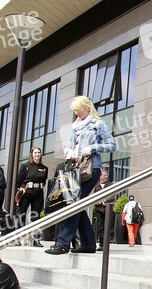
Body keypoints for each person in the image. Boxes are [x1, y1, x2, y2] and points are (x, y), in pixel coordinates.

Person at [46, 96, 116, 255]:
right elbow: (68, 145)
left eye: (78, 109)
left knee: (74, 204)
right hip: (74, 169)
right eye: (74, 110)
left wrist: (92, 148)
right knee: (77, 204)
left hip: (91, 169)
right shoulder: (75, 127)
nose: (76, 112)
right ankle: (89, 243)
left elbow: (111, 145)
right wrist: (68, 152)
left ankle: (62, 243)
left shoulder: (99, 124)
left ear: (87, 107)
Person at [15, 147, 48, 247]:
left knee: (36, 217)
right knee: (20, 215)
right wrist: (19, 191)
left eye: (39, 152)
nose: (37, 154)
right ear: (31, 154)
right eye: (35, 153)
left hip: (38, 194)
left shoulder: (44, 168)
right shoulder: (25, 166)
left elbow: (44, 182)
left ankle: (36, 240)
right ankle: (16, 239)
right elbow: (18, 181)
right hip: (26, 193)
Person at [92, 170, 115, 250]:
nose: (106, 177)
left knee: (107, 227)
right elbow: (93, 196)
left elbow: (113, 196)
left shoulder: (110, 185)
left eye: (106, 175)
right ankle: (102, 244)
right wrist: (96, 201)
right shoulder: (96, 186)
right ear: (100, 177)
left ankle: (106, 245)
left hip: (108, 209)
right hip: (99, 209)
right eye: (104, 175)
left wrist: (106, 200)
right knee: (100, 227)